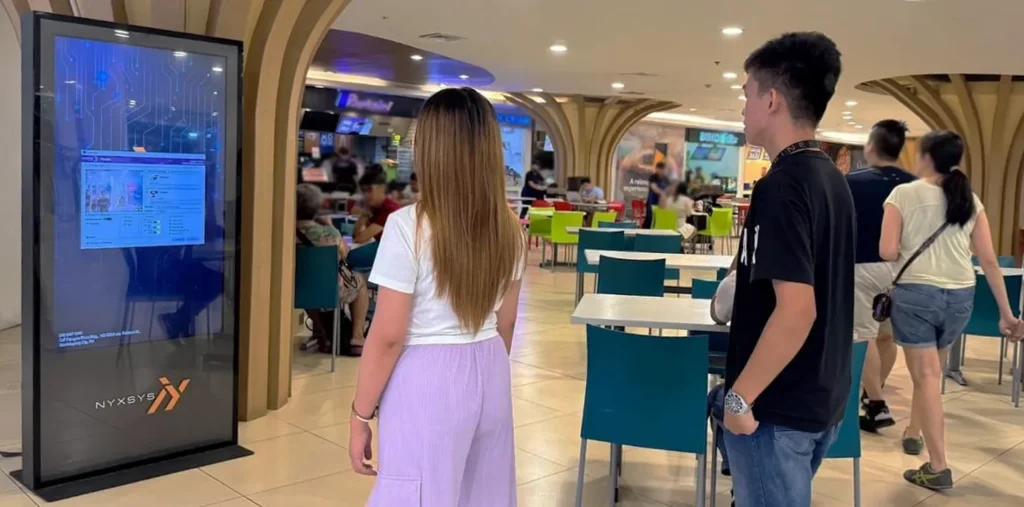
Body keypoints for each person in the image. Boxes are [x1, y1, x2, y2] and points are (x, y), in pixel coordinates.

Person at [349, 87, 526, 507]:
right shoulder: (510, 228)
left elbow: (388, 336)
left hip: (428, 377)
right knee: (484, 494)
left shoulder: (407, 226)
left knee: (419, 494)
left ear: (429, 148)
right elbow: (507, 322)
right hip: (490, 366)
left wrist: (360, 414)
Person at [722, 32, 853, 507]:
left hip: (774, 410)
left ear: (771, 100)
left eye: (747, 94)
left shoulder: (782, 186)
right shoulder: (831, 180)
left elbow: (797, 310)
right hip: (819, 399)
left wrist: (739, 400)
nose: (743, 108)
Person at [879, 130, 1023, 490]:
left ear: (925, 157)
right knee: (930, 373)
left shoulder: (903, 194)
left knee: (925, 376)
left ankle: (939, 465)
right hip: (960, 295)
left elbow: (886, 250)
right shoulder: (970, 199)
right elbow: (988, 260)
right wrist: (1007, 314)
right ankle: (913, 432)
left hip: (917, 294)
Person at [846, 119, 916, 433]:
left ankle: (875, 400)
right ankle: (873, 396)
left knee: (862, 335)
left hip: (861, 266)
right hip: (903, 270)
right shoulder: (915, 186)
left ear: (870, 146)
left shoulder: (851, 182)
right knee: (887, 336)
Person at [295, 183, 369, 355]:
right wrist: (331, 227)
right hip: (329, 290)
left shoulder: (282, 232)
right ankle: (357, 337)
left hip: (294, 290)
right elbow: (345, 255)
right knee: (359, 280)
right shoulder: (328, 233)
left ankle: (322, 333)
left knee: (306, 285)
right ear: (316, 208)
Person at [352, 171, 400, 244]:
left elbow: (360, 238)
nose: (366, 195)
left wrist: (366, 212)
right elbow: (355, 236)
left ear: (381, 189)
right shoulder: (373, 207)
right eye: (363, 191)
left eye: (369, 190)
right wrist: (365, 213)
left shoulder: (390, 209)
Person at [643, 162, 669, 228]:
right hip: (652, 202)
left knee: (660, 221)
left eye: (663, 170)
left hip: (662, 203)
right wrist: (662, 193)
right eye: (660, 169)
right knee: (650, 219)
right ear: (657, 169)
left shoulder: (666, 179)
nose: (662, 171)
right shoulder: (653, 177)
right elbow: (654, 188)